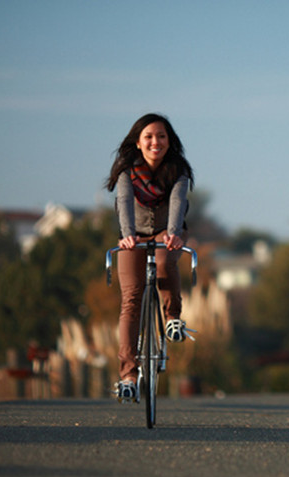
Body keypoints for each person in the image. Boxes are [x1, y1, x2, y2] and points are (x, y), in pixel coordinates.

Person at [106, 113, 195, 401]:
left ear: (169, 142)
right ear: (138, 142)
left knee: (167, 260)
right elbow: (124, 203)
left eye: (161, 136)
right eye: (149, 137)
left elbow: (178, 203)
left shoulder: (178, 171)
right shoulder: (126, 172)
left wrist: (172, 233)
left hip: (163, 233)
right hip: (133, 236)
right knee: (131, 300)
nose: (155, 142)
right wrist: (128, 234)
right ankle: (129, 376)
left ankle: (172, 318)